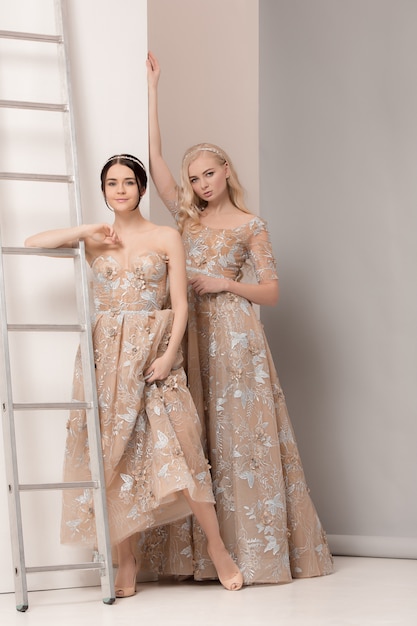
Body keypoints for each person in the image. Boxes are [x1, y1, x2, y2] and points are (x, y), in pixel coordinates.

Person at [146, 52, 334, 585]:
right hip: (190, 331)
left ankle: (256, 553)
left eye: (209, 173)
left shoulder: (252, 224)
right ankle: (201, 555)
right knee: (194, 435)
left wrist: (225, 283)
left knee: (239, 439)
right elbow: (156, 162)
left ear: (227, 170)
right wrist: (154, 90)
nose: (203, 184)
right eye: (195, 179)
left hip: (234, 334)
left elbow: (272, 292)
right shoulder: (186, 216)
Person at [24, 154, 243, 596]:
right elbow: (33, 243)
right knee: (114, 458)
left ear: (142, 188)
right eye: (111, 183)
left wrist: (167, 356)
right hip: (105, 360)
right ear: (103, 191)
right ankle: (126, 559)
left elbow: (181, 305)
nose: (120, 189)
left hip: (154, 355)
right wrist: (85, 230)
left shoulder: (166, 236)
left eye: (128, 182)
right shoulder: (95, 241)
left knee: (184, 452)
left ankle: (219, 549)